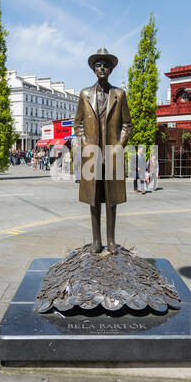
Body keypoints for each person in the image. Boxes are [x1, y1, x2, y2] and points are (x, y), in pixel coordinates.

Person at [74, 47, 132, 252]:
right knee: (93, 198)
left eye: (106, 65)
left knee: (112, 199)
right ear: (93, 69)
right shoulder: (85, 94)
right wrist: (84, 143)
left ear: (111, 69)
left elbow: (127, 124)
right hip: (91, 154)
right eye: (98, 65)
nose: (102, 68)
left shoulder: (119, 95)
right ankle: (97, 241)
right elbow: (78, 124)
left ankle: (112, 241)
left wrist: (118, 146)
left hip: (112, 154)